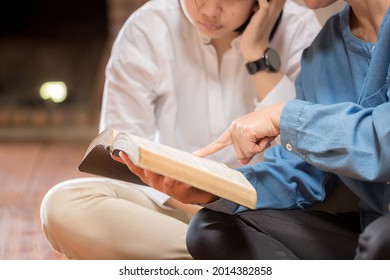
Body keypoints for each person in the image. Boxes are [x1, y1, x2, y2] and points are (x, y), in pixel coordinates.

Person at [40, 0, 321, 259]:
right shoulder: (147, 28)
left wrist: (257, 53)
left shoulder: (299, 29)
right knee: (62, 206)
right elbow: (121, 150)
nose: (210, 11)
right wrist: (189, 200)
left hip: (266, 214)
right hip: (170, 209)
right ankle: (239, 263)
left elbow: (307, 153)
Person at [120, 0, 390, 259]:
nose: (210, 9)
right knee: (211, 228)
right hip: (368, 229)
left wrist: (284, 117)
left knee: (381, 240)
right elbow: (302, 170)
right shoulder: (323, 50)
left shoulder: (303, 34)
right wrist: (217, 189)